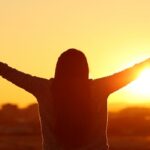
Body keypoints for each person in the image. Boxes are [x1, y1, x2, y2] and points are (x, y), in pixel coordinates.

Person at [0, 48, 149, 150]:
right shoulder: (99, 88)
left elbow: (8, 72)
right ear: (85, 69)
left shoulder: (43, 88)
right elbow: (132, 72)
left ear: (58, 68)